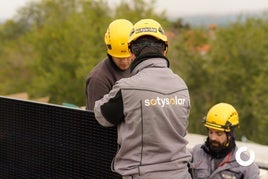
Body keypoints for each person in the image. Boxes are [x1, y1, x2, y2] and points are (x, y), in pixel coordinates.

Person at [94, 19, 191, 179]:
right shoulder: (182, 86)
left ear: (132, 53)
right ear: (165, 50)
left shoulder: (127, 88)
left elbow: (102, 115)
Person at [189, 102, 260, 179]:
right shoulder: (196, 153)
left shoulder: (246, 166)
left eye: (219, 134)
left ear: (230, 135)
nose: (213, 138)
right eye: (210, 132)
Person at [85, 19, 133, 110]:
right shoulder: (98, 80)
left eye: (128, 57)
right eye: (119, 58)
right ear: (110, 51)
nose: (125, 61)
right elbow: (94, 120)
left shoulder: (138, 68)